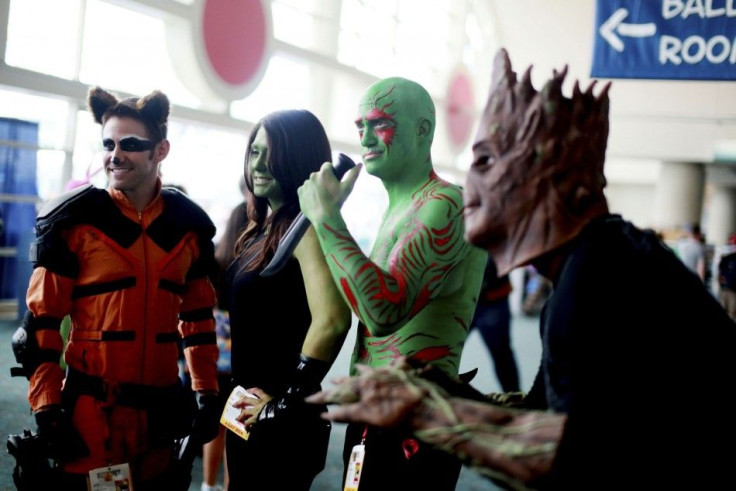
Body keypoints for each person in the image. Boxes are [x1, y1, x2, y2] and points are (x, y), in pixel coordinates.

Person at [306, 48, 736, 490]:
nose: (469, 185)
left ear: (544, 173)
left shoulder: (600, 274)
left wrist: (428, 411)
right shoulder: (591, 266)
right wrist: (449, 395)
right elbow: (554, 410)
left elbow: (582, 455)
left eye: (487, 163)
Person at [10, 86, 221, 490]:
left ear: (161, 150)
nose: (115, 154)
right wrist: (47, 408)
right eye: (108, 143)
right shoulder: (73, 223)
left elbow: (198, 321)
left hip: (162, 416)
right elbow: (39, 328)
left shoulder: (188, 228)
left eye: (130, 144)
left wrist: (206, 392)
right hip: (93, 418)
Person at [297, 77, 486, 490]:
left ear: (423, 130)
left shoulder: (446, 205)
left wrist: (327, 219)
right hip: (378, 417)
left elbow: (384, 312)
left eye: (379, 122)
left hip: (412, 424)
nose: (364, 135)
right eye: (359, 124)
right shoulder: (400, 207)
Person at [220, 109, 352, 491]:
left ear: (297, 157)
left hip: (279, 420)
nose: (258, 164)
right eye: (254, 152)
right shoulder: (263, 229)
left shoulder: (307, 231)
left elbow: (333, 320)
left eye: (271, 153)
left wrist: (286, 399)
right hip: (247, 408)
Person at [200, 175, 248, 491]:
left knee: (213, 430)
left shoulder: (215, 262)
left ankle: (206, 484)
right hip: (241, 363)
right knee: (236, 429)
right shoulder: (251, 265)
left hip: (214, 359)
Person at [469, 254, 520, 393]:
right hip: (460, 300)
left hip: (492, 298)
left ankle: (514, 398)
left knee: (502, 355)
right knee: (440, 355)